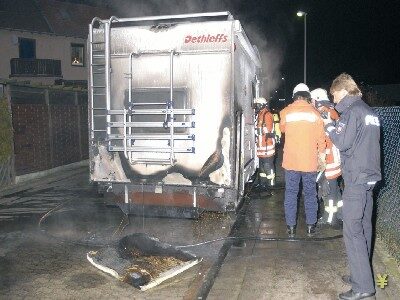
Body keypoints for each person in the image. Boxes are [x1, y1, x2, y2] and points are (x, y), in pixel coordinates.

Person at [325, 73, 381, 300]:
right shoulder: (369, 112)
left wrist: (329, 127)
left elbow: (344, 142)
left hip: (356, 179)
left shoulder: (351, 112)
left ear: (343, 91)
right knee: (365, 227)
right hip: (370, 177)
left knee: (352, 230)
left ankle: (363, 287)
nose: (335, 100)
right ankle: (362, 274)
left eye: (335, 95)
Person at [280, 83, 326, 237]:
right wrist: (322, 157)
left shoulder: (286, 112)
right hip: (309, 162)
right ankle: (310, 227)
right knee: (310, 193)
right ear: (308, 97)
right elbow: (321, 139)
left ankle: (291, 227)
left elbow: (282, 129)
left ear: (294, 96)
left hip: (291, 162)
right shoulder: (315, 114)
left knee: (291, 193)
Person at [310, 88, 343, 227]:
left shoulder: (324, 114)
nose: (310, 103)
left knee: (329, 189)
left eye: (312, 100)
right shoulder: (331, 112)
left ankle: (331, 219)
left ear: (317, 100)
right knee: (334, 188)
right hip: (333, 157)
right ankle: (340, 214)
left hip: (329, 158)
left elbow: (324, 138)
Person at [255, 97, 276, 190]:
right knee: (262, 167)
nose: (256, 107)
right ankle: (262, 183)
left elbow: (269, 130)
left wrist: (259, 130)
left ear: (262, 105)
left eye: (258, 105)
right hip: (261, 146)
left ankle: (271, 184)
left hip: (267, 146)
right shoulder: (260, 114)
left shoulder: (267, 114)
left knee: (267, 166)